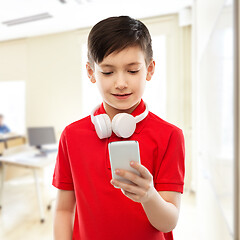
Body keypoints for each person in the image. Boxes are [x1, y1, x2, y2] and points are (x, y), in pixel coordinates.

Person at [53, 16, 185, 240]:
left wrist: (148, 195)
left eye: (132, 71)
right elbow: (64, 210)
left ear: (150, 70)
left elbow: (168, 222)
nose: (121, 83)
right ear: (91, 72)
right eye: (107, 72)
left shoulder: (170, 136)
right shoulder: (71, 136)